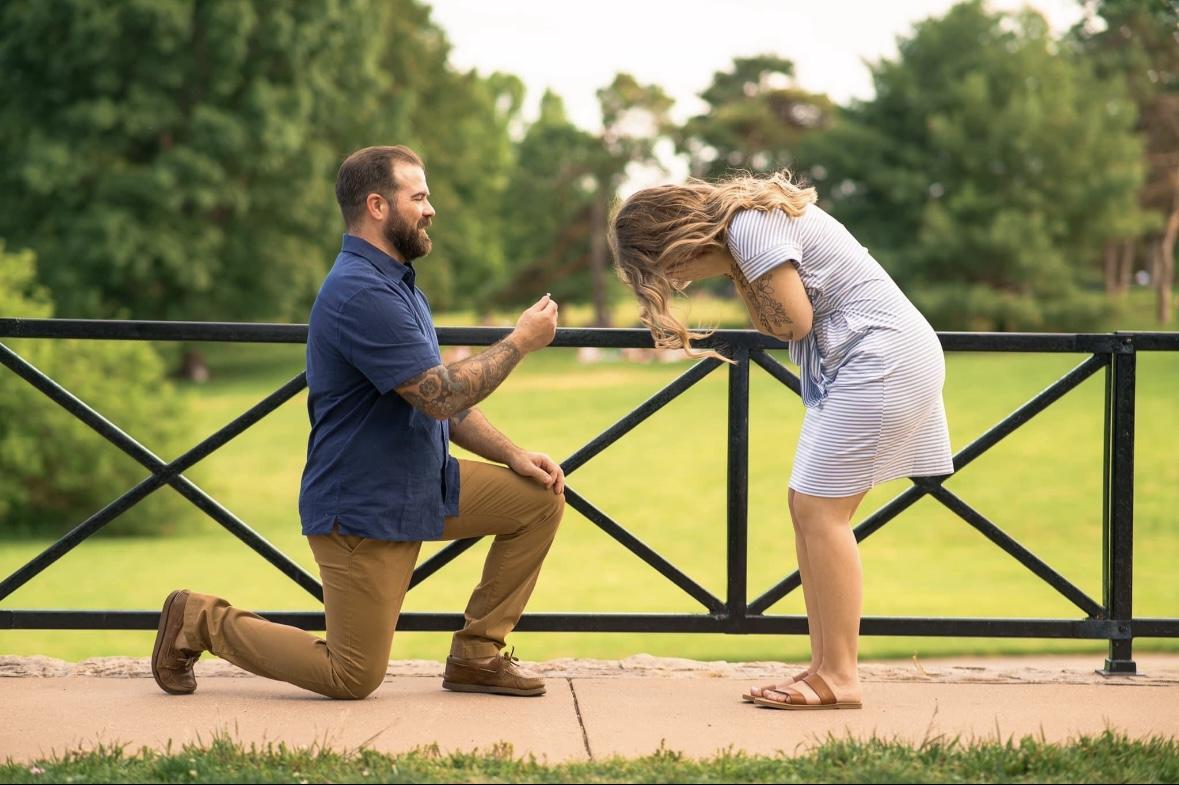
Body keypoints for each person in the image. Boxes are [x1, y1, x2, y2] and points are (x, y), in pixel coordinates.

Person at [151, 145, 566, 700]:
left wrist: (512, 455)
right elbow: (440, 396)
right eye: (419, 197)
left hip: (424, 485)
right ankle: (199, 620)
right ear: (377, 205)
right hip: (363, 507)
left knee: (537, 499)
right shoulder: (361, 292)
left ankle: (478, 655)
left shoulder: (397, 283)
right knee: (350, 676)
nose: (431, 209)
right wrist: (520, 343)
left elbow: (440, 398)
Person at [610, 172, 953, 710]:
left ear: (676, 241)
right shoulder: (747, 231)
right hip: (861, 363)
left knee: (821, 512)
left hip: (880, 360)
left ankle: (840, 677)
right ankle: (823, 666)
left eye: (665, 269)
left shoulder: (749, 228)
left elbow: (792, 323)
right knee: (805, 507)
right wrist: (739, 273)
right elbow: (780, 323)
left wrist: (739, 273)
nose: (676, 283)